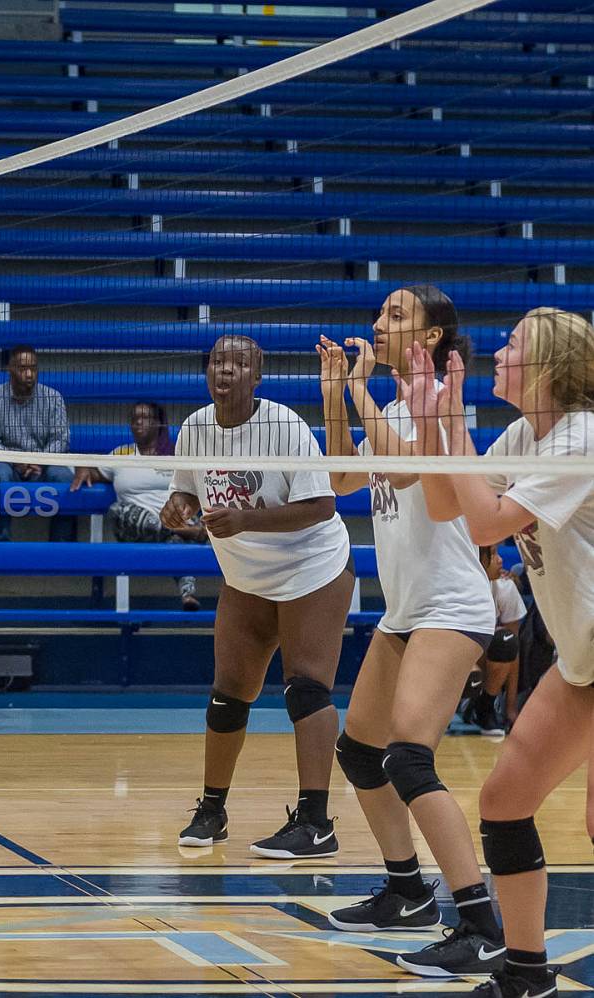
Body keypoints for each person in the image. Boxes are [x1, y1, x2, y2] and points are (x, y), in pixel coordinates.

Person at [315, 285, 506, 977]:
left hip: (452, 606)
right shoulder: (392, 406)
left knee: (408, 757)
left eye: (396, 316)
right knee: (361, 753)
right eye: (381, 311)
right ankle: (406, 891)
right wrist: (338, 395)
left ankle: (481, 924)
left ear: (429, 340)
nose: (377, 322)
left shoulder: (443, 407)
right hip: (407, 609)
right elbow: (341, 477)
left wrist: (358, 393)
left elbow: (402, 466)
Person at [409, 307, 594, 998]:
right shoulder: (526, 433)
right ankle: (526, 976)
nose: (497, 350)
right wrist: (436, 419)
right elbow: (443, 507)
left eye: (513, 343)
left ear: (547, 366)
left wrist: (453, 422)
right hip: (584, 660)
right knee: (506, 800)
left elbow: (486, 518)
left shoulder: (580, 438)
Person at [163, 333, 355, 859]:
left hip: (310, 570)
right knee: (228, 695)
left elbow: (322, 505)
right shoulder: (195, 428)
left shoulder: (284, 426)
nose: (224, 369)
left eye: (238, 362)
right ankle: (211, 810)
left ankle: (316, 823)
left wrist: (245, 518)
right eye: (217, 361)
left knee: (306, 689)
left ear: (257, 376)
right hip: (246, 577)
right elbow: (185, 488)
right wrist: (175, 507)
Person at [73, 400, 204, 610]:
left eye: (145, 417)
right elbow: (92, 471)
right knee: (117, 511)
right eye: (134, 418)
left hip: (176, 521)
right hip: (136, 527)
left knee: (176, 539)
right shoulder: (121, 454)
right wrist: (82, 467)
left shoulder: (175, 454)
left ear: (159, 423)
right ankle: (183, 531)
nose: (138, 422)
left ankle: (187, 594)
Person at [0, 345, 75, 542]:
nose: (29, 374)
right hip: (7, 464)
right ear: (10, 369)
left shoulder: (53, 398)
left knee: (63, 475)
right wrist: (16, 461)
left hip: (43, 465)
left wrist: (40, 461)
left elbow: (61, 438)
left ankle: (61, 545)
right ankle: (1, 541)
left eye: (33, 368)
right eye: (22, 368)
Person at [463, 544, 527, 734]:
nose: (500, 560)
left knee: (506, 641)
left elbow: (513, 653)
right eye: (492, 554)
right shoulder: (456, 591)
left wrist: (511, 709)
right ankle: (465, 702)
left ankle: (486, 706)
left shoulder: (505, 588)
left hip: (488, 666)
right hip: (457, 662)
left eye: (498, 552)